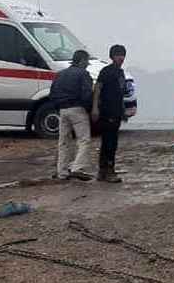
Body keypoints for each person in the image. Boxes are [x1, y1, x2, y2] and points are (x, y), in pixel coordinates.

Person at [50, 50, 94, 181]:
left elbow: (52, 94)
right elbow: (87, 94)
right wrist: (89, 109)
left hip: (62, 110)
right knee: (84, 140)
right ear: (81, 61)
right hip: (77, 109)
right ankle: (77, 168)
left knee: (63, 142)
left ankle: (62, 172)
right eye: (86, 61)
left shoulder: (60, 74)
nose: (87, 64)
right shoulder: (83, 74)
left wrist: (58, 107)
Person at [92, 44, 127, 183]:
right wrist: (95, 108)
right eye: (118, 55)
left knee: (112, 141)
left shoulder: (121, 72)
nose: (121, 58)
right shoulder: (106, 71)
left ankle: (104, 171)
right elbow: (97, 89)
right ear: (112, 56)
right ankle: (107, 171)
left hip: (117, 111)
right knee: (109, 142)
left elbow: (120, 93)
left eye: (123, 55)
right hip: (107, 111)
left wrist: (123, 110)